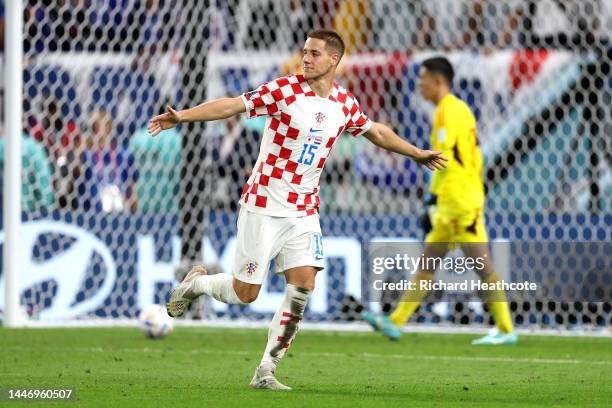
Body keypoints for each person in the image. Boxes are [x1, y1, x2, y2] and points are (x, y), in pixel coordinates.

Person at [148, 29, 446, 390]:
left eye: (314, 54)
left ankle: (266, 371)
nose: (305, 58)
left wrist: (416, 153)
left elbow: (375, 132)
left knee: (303, 285)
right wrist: (183, 117)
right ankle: (196, 283)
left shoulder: (344, 103)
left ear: (333, 60)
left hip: (304, 209)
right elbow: (232, 104)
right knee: (246, 294)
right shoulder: (284, 91)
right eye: (304, 52)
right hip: (264, 203)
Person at [362, 57, 517, 345]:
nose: (418, 84)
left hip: (459, 201)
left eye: (422, 79)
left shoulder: (448, 110)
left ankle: (506, 329)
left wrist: (432, 197)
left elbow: (441, 158)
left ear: (437, 80)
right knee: (428, 262)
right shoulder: (455, 110)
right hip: (453, 200)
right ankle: (395, 322)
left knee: (482, 264)